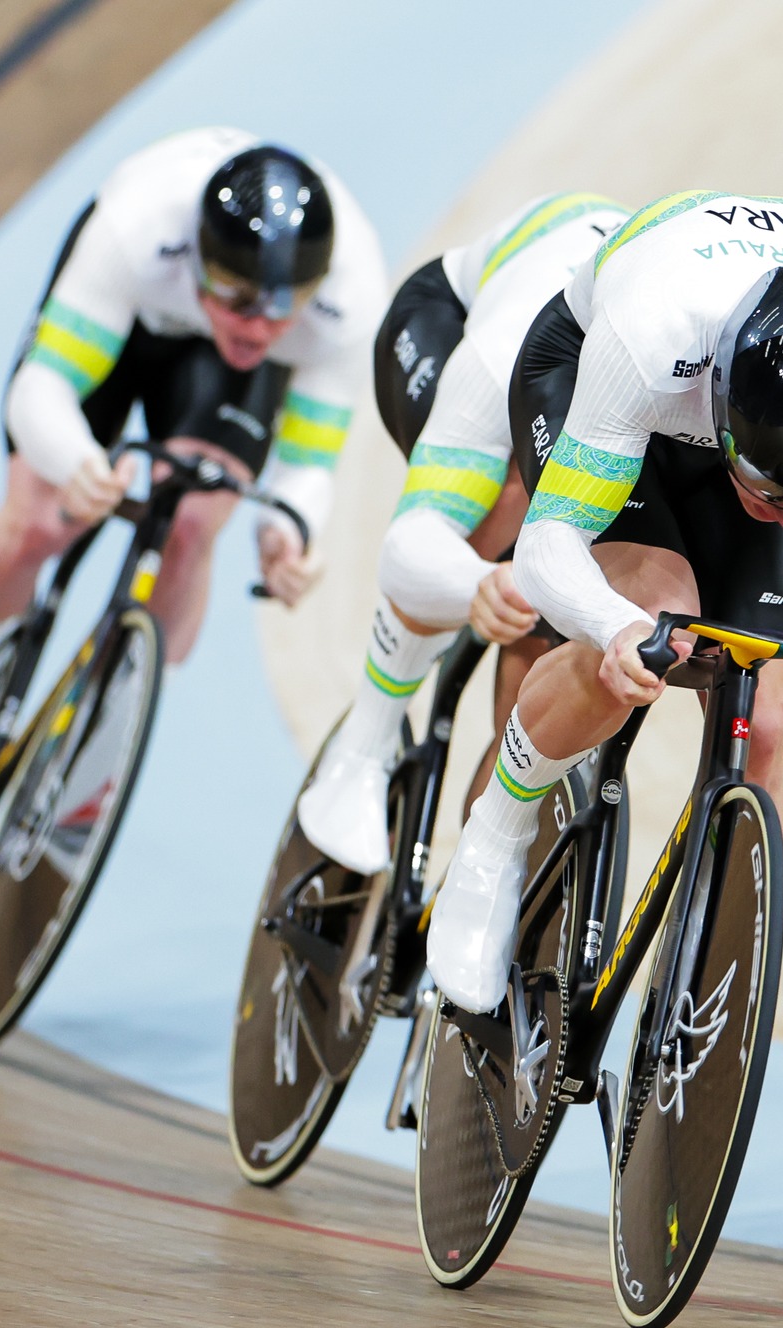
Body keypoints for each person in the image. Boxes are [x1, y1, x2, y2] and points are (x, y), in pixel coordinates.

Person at [425, 192, 783, 1013]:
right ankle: (493, 841)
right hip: (594, 384)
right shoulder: (651, 330)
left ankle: (713, 1001)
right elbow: (548, 544)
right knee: (654, 616)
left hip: (742, 416)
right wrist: (613, 626)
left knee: (767, 712)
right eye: (774, 490)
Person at [0, 126, 386, 827]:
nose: (258, 326)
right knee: (38, 521)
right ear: (200, 260)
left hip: (215, 374)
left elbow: (308, 464)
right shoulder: (137, 229)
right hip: (126, 317)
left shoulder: (347, 298)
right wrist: (78, 463)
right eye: (238, 296)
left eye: (282, 306)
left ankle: (106, 740)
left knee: (192, 522)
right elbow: (40, 390)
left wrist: (287, 532)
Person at [294, 193, 630, 875]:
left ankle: (475, 883)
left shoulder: (655, 380)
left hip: (579, 381)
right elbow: (413, 538)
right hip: (449, 321)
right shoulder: (504, 351)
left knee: (548, 637)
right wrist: (478, 581)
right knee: (496, 502)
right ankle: (365, 743)